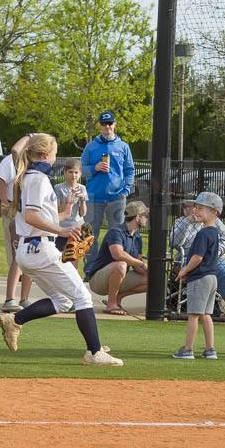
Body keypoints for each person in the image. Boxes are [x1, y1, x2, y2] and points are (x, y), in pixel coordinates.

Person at [0, 133, 123, 366]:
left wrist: (67, 214)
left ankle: (15, 320)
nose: (56, 156)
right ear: (45, 155)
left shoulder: (31, 176)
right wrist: (63, 231)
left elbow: (42, 214)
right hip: (39, 248)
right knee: (83, 296)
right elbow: (33, 216)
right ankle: (94, 353)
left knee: (64, 300)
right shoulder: (38, 179)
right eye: (54, 152)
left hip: (31, 249)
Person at [171, 198, 225, 319]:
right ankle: (220, 307)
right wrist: (188, 222)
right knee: (212, 265)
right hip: (188, 256)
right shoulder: (180, 222)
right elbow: (175, 243)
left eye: (195, 207)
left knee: (221, 267)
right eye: (186, 207)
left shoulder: (212, 221)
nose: (191, 210)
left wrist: (215, 252)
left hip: (212, 257)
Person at [172, 192, 225, 360]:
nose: (196, 210)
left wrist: (185, 270)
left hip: (200, 278)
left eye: (201, 208)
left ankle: (188, 349)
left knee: (194, 315)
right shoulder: (214, 232)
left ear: (214, 212)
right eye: (196, 207)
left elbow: (197, 257)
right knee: (206, 314)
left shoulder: (203, 233)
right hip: (212, 277)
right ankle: (210, 349)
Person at [80, 110, 136, 267]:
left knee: (117, 235)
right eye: (104, 124)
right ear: (100, 126)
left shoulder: (123, 147)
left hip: (117, 198)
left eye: (110, 123)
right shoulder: (91, 147)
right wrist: (95, 168)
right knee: (90, 235)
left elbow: (130, 170)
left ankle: (115, 266)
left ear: (115, 124)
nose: (107, 127)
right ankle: (91, 268)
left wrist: (125, 191)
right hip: (93, 197)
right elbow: (81, 169)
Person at [84, 200, 149, 315]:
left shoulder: (137, 237)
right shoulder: (116, 231)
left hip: (119, 276)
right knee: (121, 264)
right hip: (98, 281)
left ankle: (118, 297)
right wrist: (139, 264)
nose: (147, 219)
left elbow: (137, 265)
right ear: (137, 217)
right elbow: (117, 254)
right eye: (145, 216)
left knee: (153, 279)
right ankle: (111, 304)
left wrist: (147, 269)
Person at [0, 136, 33, 312]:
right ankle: (10, 298)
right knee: (17, 254)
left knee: (30, 256)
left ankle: (24, 298)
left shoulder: (34, 163)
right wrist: (5, 202)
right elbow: (0, 179)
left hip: (30, 213)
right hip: (14, 210)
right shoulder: (11, 160)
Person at [52, 160, 87, 253]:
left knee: (74, 257)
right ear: (64, 172)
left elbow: (83, 213)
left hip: (77, 228)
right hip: (62, 229)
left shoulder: (82, 188)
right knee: (60, 257)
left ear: (80, 174)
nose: (73, 175)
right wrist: (68, 201)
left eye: (76, 172)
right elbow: (58, 211)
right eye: (70, 172)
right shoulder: (58, 188)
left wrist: (82, 200)